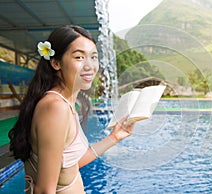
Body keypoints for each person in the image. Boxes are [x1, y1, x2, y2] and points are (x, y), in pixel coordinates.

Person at [8, 25, 134, 194]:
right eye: (79, 57)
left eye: (93, 57)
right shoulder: (55, 108)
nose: (89, 66)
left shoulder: (65, 103)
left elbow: (69, 166)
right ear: (56, 63)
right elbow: (45, 190)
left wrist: (114, 137)